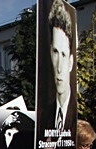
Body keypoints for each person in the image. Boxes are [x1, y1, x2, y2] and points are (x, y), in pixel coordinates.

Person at [39, 0, 76, 140]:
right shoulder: (45, 115)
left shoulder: (75, 117)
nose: (59, 67)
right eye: (55, 52)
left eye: (64, 55)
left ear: (71, 62)